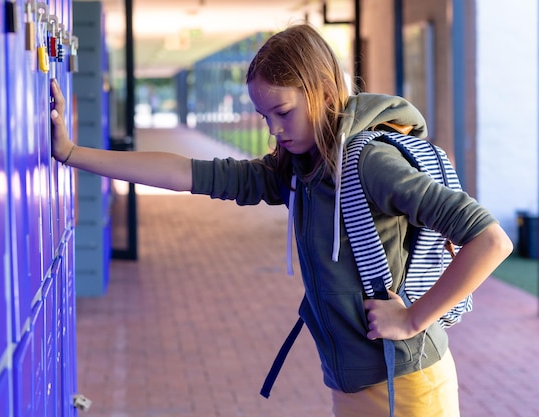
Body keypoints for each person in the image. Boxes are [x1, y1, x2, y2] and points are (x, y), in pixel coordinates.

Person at [50, 23, 512, 417]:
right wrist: (71, 153)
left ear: (325, 93)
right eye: (263, 115)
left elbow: (490, 240)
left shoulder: (370, 163)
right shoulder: (298, 168)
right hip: (350, 381)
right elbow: (183, 173)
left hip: (408, 384)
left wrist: (412, 319)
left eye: (283, 112)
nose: (273, 129)